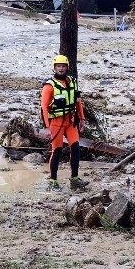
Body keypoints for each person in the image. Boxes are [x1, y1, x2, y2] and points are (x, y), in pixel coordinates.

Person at [40, 55, 90, 190]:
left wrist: (82, 119)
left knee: (75, 148)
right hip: (56, 123)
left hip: (71, 122)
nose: (61, 69)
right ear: (54, 68)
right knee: (57, 151)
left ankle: (74, 179)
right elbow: (44, 107)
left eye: (63, 66)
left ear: (67, 67)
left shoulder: (72, 81)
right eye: (58, 66)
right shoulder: (49, 86)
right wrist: (46, 127)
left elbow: (78, 102)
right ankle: (53, 181)